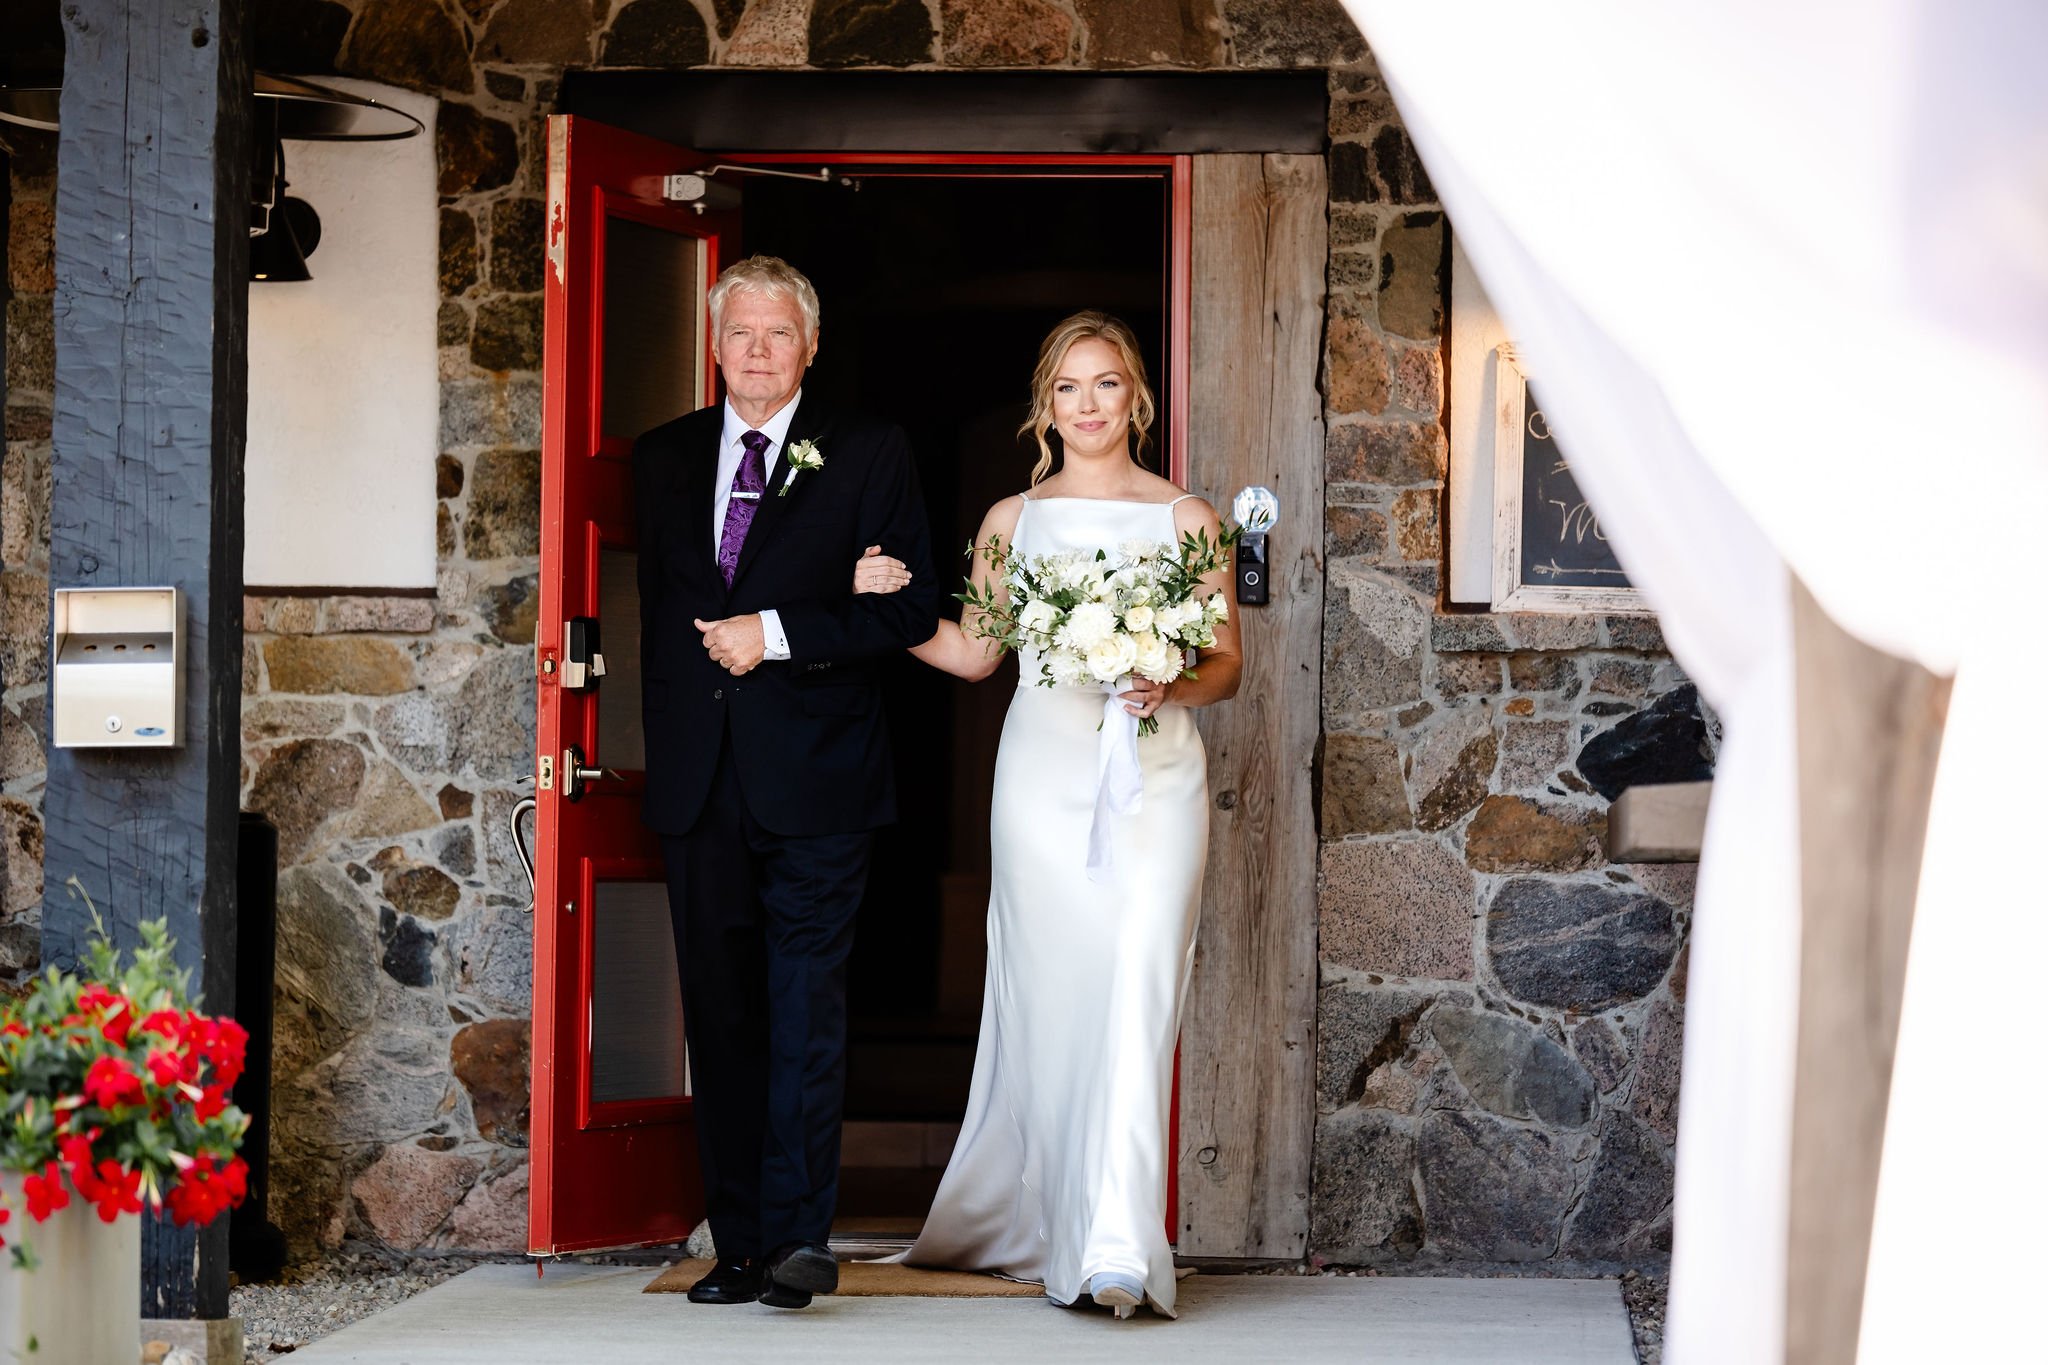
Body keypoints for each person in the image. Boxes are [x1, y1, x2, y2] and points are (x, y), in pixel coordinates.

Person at [852, 311, 1242, 1319]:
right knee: (1058, 997)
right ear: (1045, 406)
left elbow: (1226, 664)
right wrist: (883, 613)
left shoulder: (1189, 520)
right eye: (1068, 388)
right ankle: (1059, 1223)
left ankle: (1115, 1247)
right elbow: (977, 653)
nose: (1087, 405)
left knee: (1138, 988)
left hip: (1154, 778)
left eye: (1105, 384)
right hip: (1039, 778)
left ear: (1136, 398)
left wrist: (1170, 686)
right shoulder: (1008, 522)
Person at [631, 256, 940, 1310]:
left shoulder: (868, 451)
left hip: (818, 783)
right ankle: (741, 1246)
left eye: (775, 335)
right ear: (714, 347)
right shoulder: (663, 458)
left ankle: (801, 1243)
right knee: (719, 1019)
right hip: (697, 783)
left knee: (803, 1010)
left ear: (809, 347)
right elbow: (660, 629)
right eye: (738, 335)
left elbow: (904, 613)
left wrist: (773, 629)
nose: (755, 352)